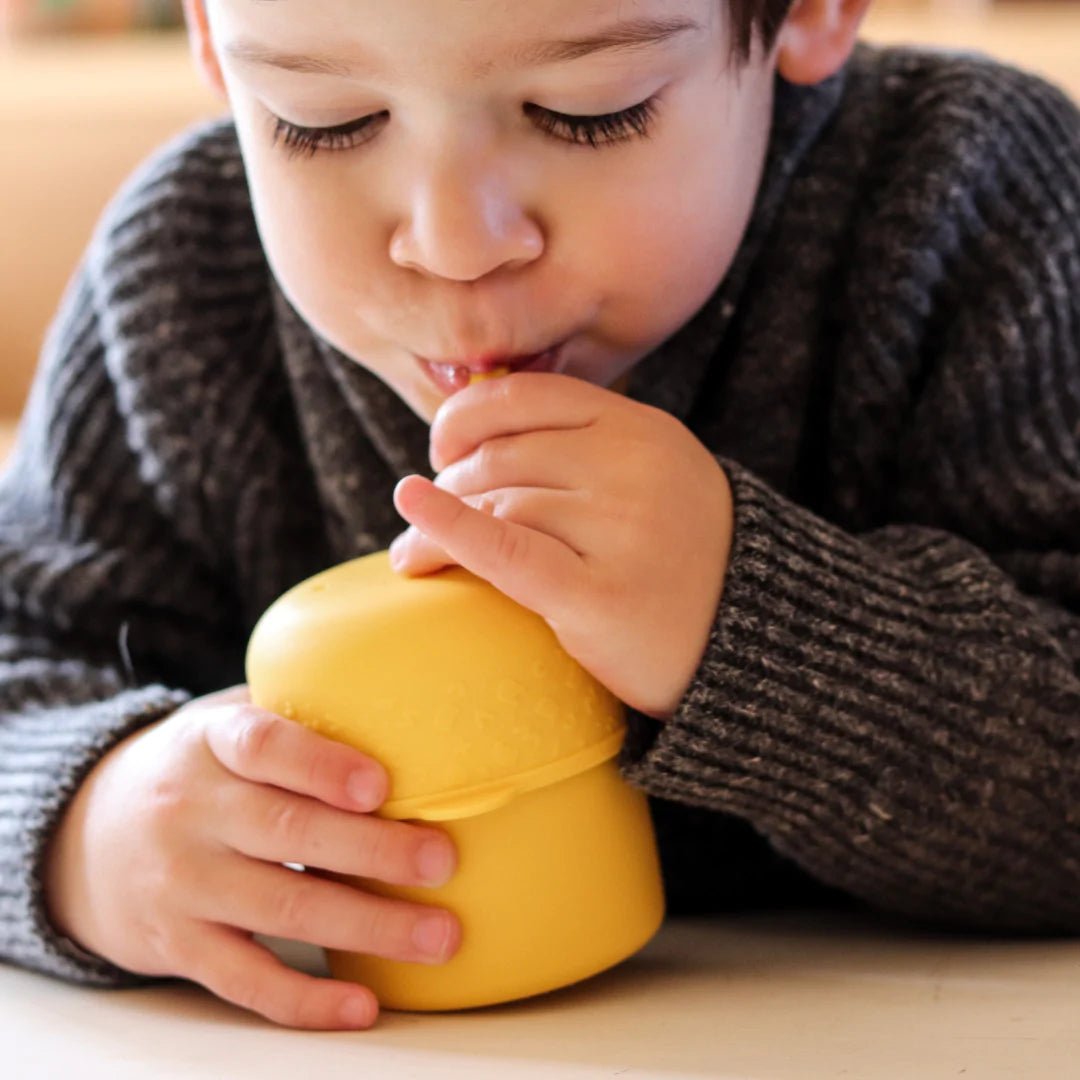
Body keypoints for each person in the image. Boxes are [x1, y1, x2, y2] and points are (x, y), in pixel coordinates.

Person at [1, 0, 1078, 1033]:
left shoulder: (975, 197)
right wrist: (83, 825)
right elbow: (20, 663)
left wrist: (754, 626)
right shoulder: (184, 275)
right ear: (210, 34)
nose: (454, 242)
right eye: (323, 122)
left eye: (587, 111)